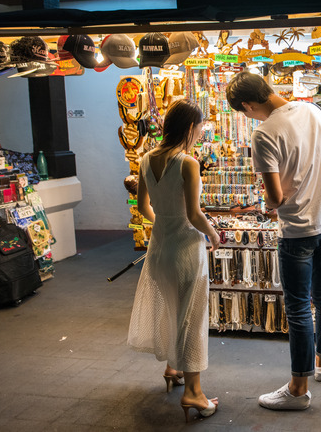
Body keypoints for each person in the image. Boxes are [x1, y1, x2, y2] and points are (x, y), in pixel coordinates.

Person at [226, 72, 321, 410]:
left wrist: (262, 205)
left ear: (248, 105)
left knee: (298, 307)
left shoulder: (263, 134)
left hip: (298, 229)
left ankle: (298, 388)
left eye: (245, 112)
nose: (249, 117)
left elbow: (275, 197)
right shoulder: (314, 111)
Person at [127, 99, 221, 422]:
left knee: (172, 310)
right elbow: (194, 215)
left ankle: (173, 367)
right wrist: (213, 233)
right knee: (192, 319)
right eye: (199, 128)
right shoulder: (187, 163)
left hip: (158, 251)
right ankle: (194, 393)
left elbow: (143, 208)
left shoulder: (145, 159)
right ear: (190, 128)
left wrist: (163, 224)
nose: (200, 134)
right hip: (185, 251)